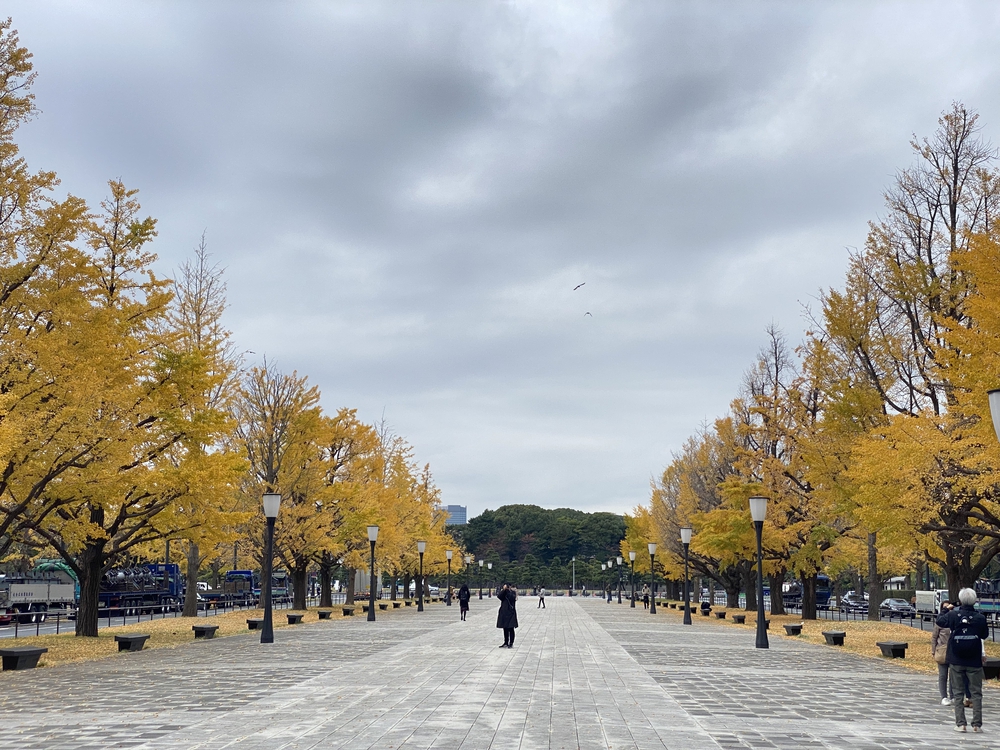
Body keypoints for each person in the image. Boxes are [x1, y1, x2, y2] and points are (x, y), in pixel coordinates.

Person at [936, 587, 989, 732]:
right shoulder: (980, 618)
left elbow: (940, 621)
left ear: (960, 600)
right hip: (974, 659)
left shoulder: (953, 615)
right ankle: (977, 724)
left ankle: (961, 724)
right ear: (974, 601)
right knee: (976, 692)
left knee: (958, 692)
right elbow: (984, 635)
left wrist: (945, 609)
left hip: (956, 658)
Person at [931, 601, 956, 705]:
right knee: (943, 675)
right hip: (942, 650)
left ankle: (953, 696)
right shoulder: (940, 622)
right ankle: (944, 697)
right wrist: (933, 651)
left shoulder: (954, 620)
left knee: (953, 675)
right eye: (945, 607)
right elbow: (934, 637)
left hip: (954, 651)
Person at [497, 582, 518, 648]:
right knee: (505, 628)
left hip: (511, 612)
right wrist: (504, 590)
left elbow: (512, 598)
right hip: (504, 612)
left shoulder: (513, 592)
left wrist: (508, 590)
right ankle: (506, 642)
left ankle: (511, 643)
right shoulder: (504, 592)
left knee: (511, 628)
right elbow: (499, 596)